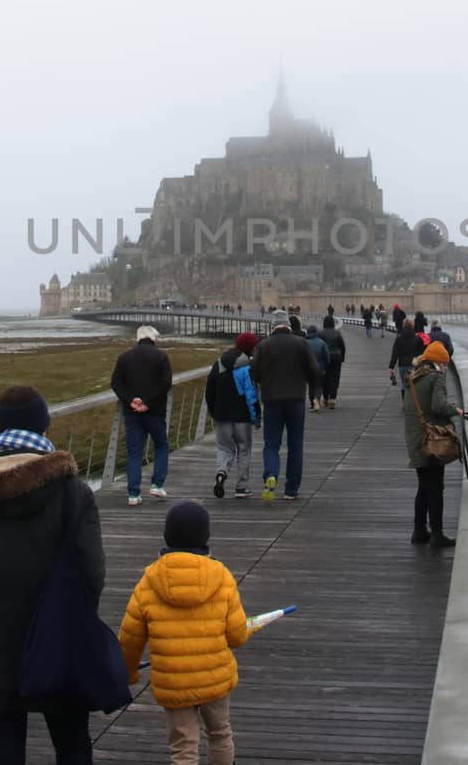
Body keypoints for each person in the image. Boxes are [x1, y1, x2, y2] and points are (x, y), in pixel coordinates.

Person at [0, 385, 105, 764]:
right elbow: (93, 573)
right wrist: (79, 621)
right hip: (62, 643)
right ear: (44, 427)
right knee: (73, 747)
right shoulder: (74, 493)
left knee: (3, 753)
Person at [119, 502, 250, 765]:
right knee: (220, 734)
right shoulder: (222, 577)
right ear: (206, 537)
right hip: (215, 678)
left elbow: (130, 639)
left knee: (183, 747)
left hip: (173, 681)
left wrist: (130, 672)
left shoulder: (148, 582)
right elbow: (237, 635)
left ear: (167, 536)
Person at [250, 318, 322, 501]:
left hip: (272, 400)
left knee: (271, 444)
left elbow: (254, 373)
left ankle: (271, 475)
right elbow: (315, 369)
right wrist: (306, 383)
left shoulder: (263, 345)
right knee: (295, 445)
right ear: (289, 328)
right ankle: (291, 489)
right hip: (296, 399)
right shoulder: (301, 343)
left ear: (273, 327)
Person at [402, 341, 458, 549]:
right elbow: (438, 405)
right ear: (438, 362)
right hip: (432, 440)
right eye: (444, 363)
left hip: (415, 438)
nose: (445, 367)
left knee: (424, 486)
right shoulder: (436, 378)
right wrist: (456, 410)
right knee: (436, 487)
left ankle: (419, 531)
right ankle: (437, 534)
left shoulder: (414, 376)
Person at [111, 325, 174, 506]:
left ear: (137, 338)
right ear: (153, 339)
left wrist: (132, 400)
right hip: (154, 412)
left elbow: (116, 383)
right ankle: (156, 484)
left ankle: (133, 494)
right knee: (161, 446)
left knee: (134, 453)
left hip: (131, 413)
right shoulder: (161, 356)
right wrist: (147, 402)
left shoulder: (124, 357)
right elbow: (165, 383)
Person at [205, 333, 261, 499]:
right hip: (242, 417)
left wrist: (214, 412)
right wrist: (256, 416)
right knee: (244, 449)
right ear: (249, 347)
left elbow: (210, 392)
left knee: (224, 448)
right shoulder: (247, 367)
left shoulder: (218, 364)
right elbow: (251, 396)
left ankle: (221, 472)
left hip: (222, 416)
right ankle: (242, 487)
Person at [317, 316, 346, 410]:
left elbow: (319, 346)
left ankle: (325, 398)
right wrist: (342, 358)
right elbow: (343, 347)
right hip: (336, 357)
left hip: (325, 357)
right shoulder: (337, 333)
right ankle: (332, 398)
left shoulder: (320, 333)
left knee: (325, 377)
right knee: (334, 377)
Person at [389, 321, 423, 392]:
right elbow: (421, 353)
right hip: (414, 364)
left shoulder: (398, 338)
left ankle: (405, 401)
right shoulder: (418, 339)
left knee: (404, 385)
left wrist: (391, 366)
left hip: (402, 365)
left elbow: (395, 353)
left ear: (403, 326)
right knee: (414, 384)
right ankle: (413, 401)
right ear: (413, 326)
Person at [304, 324, 330, 412]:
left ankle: (312, 404)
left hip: (308, 369)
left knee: (311, 386)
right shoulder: (322, 342)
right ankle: (317, 399)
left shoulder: (304, 343)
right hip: (320, 369)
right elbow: (326, 357)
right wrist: (326, 366)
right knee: (319, 386)